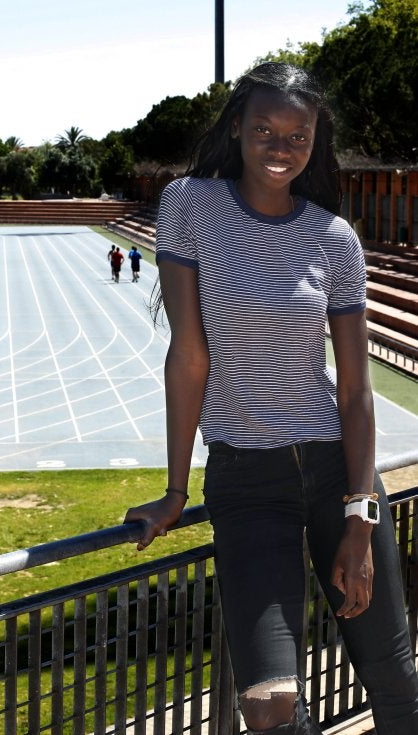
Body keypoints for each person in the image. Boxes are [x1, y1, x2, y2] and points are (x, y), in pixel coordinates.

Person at [124, 62, 418, 734]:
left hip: (336, 471)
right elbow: (189, 355)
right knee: (269, 704)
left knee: (395, 679)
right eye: (265, 129)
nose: (281, 146)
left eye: (298, 134)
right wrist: (174, 490)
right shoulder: (189, 203)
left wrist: (361, 519)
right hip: (246, 481)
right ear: (237, 128)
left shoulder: (334, 239)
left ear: (316, 140)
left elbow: (355, 391)